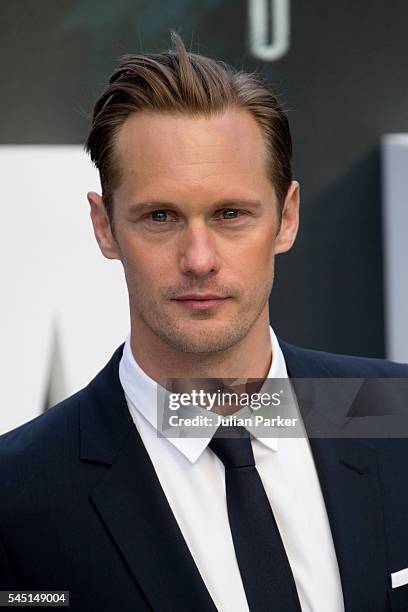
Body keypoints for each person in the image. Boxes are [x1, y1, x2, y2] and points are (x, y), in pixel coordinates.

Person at [0, 32, 407, 612]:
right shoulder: (19, 496)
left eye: (231, 214)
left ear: (286, 218)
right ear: (105, 227)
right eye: (160, 216)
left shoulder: (394, 414)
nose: (199, 259)